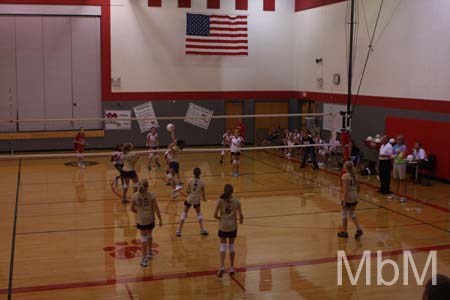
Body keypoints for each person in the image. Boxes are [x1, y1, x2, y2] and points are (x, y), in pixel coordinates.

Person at [214, 184, 244, 277]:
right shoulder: (237, 201)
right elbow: (241, 216)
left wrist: (221, 219)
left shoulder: (220, 201)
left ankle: (222, 266)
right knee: (231, 246)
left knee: (223, 246)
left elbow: (214, 215)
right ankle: (231, 267)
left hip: (223, 226)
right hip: (232, 227)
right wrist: (241, 221)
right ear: (232, 191)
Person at [130, 179, 162, 267]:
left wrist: (139, 212)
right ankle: (150, 252)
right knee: (150, 234)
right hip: (150, 219)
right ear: (147, 187)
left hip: (142, 220)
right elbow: (156, 209)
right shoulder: (151, 195)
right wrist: (160, 219)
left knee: (143, 238)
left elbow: (131, 208)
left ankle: (144, 259)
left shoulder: (135, 196)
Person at [176, 167, 208, 237]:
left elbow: (187, 191)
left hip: (189, 199)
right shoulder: (202, 182)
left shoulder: (190, 180)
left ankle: (179, 231)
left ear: (193, 173)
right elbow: (203, 193)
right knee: (199, 214)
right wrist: (205, 199)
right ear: (200, 174)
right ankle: (202, 229)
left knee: (184, 214)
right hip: (196, 200)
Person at [337, 161, 363, 239]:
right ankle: (359, 229)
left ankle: (345, 232)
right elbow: (358, 188)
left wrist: (344, 200)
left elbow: (346, 190)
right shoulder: (355, 175)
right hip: (354, 196)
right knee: (352, 214)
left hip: (348, 196)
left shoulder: (345, 176)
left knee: (344, 214)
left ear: (346, 167)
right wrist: (356, 195)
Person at [389, 135, 407, 203]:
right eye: (397, 139)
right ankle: (395, 194)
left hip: (401, 164)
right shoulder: (394, 146)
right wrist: (396, 155)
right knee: (395, 179)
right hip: (395, 164)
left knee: (402, 180)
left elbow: (401, 156)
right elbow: (391, 155)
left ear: (402, 140)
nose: (397, 140)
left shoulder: (404, 147)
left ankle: (403, 196)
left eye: (399, 139)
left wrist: (396, 155)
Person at [168, 130, 185, 198]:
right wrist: (172, 132)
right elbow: (173, 139)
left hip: (173, 163)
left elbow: (171, 148)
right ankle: (175, 192)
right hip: (176, 164)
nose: (175, 140)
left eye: (176, 140)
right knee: (170, 178)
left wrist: (170, 146)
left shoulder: (176, 148)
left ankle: (178, 186)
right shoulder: (178, 147)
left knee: (169, 176)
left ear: (177, 143)